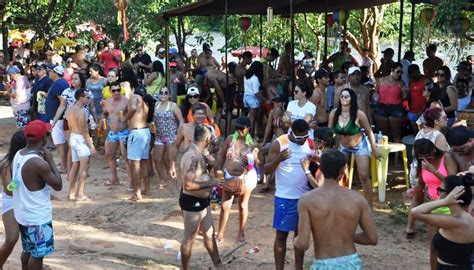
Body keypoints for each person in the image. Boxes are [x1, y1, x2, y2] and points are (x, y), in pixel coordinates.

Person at [294, 150, 378, 269]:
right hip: (351, 263)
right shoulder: (358, 199)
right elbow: (372, 238)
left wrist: (296, 240)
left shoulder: (306, 200)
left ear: (321, 168)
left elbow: (302, 244)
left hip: (323, 264)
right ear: (343, 171)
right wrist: (348, 235)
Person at [264, 119, 314, 270]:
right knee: (281, 236)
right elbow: (266, 170)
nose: (303, 140)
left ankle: (298, 267)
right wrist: (279, 158)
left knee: (300, 237)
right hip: (285, 198)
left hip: (304, 199)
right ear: (291, 132)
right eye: (300, 137)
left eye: (305, 136)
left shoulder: (309, 143)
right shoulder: (280, 143)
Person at [12, 120, 62, 269]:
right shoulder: (38, 163)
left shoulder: (19, 154)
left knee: (28, 249)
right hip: (37, 216)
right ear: (43, 138)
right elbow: (58, 185)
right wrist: (51, 161)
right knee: (38, 254)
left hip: (23, 213)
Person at [179, 124, 223, 270]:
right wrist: (212, 182)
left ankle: (218, 265)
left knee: (209, 233)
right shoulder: (193, 157)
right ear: (207, 138)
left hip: (202, 201)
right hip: (192, 201)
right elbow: (188, 186)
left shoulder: (199, 152)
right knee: (189, 238)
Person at [329, 88, 379, 207]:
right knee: (337, 174)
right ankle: (338, 202)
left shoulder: (359, 113)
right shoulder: (334, 113)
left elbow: (369, 131)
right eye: (342, 96)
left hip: (359, 145)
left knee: (363, 175)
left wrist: (374, 148)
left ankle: (368, 205)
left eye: (346, 96)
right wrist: (330, 147)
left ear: (352, 99)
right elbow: (329, 132)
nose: (343, 98)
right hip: (343, 145)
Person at [411, 174, 474, 269]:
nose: (438, 192)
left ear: (451, 195)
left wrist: (444, 202)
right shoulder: (459, 217)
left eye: (440, 190)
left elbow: (415, 212)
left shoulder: (456, 221)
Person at [216, 116, 259, 244]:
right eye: (237, 128)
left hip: (246, 177)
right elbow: (220, 155)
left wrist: (252, 160)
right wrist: (218, 173)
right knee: (225, 205)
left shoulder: (253, 143)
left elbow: (258, 161)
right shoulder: (230, 139)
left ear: (248, 129)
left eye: (241, 128)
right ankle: (220, 233)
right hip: (229, 175)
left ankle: (241, 232)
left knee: (242, 204)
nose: (239, 130)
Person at [0, 131, 26, 267]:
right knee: (11, 238)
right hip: (10, 202)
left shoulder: (29, 159)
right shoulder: (6, 163)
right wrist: (22, 181)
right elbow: (9, 189)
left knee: (31, 241)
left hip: (27, 201)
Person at [65, 89, 96, 201]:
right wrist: (91, 145)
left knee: (75, 165)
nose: (88, 99)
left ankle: (71, 192)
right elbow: (84, 130)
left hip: (73, 136)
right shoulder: (81, 111)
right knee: (84, 167)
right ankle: (80, 193)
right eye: (87, 97)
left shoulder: (70, 109)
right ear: (81, 97)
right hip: (80, 139)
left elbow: (68, 126)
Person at [153, 87, 184, 188]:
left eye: (166, 92)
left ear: (169, 95)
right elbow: (153, 119)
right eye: (161, 92)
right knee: (157, 159)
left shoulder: (173, 106)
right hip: (159, 136)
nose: (163, 94)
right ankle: (163, 179)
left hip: (171, 136)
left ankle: (174, 180)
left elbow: (181, 121)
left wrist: (178, 135)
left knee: (171, 160)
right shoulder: (156, 105)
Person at [103, 81, 132, 186]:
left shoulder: (126, 101)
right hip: (112, 132)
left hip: (124, 132)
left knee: (126, 158)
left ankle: (131, 181)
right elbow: (104, 113)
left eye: (118, 90)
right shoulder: (107, 101)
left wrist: (125, 119)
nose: (116, 92)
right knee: (109, 155)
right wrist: (103, 122)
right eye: (114, 90)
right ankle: (115, 178)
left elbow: (132, 113)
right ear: (110, 91)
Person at [124, 89, 151, 201]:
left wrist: (124, 118)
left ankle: (137, 192)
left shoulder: (133, 97)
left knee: (135, 163)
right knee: (144, 161)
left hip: (136, 132)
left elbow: (133, 109)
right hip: (145, 131)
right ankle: (147, 188)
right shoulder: (144, 103)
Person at [46, 65, 69, 173]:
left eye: (50, 71)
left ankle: (64, 166)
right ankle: (64, 162)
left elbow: (63, 102)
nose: (48, 73)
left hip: (58, 118)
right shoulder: (60, 83)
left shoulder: (59, 84)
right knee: (62, 141)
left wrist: (55, 119)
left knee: (60, 142)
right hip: (58, 117)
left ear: (55, 72)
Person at [375, 62, 405, 145]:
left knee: (396, 133)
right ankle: (383, 155)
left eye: (401, 72)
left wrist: (406, 92)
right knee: (382, 134)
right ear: (392, 70)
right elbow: (375, 93)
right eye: (398, 71)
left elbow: (405, 98)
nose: (399, 74)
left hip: (395, 107)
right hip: (382, 106)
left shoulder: (400, 83)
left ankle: (396, 157)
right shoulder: (380, 80)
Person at [243, 61, 264, 136]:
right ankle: (251, 135)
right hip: (253, 99)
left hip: (245, 97)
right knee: (253, 119)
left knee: (250, 117)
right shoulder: (255, 78)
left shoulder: (246, 76)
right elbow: (256, 92)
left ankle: (249, 134)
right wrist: (265, 99)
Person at [407, 64, 427, 133]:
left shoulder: (425, 80)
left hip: (423, 111)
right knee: (415, 133)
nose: (412, 76)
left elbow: (430, 98)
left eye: (413, 74)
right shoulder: (411, 81)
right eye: (410, 75)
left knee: (422, 132)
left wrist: (422, 111)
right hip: (412, 110)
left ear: (418, 71)